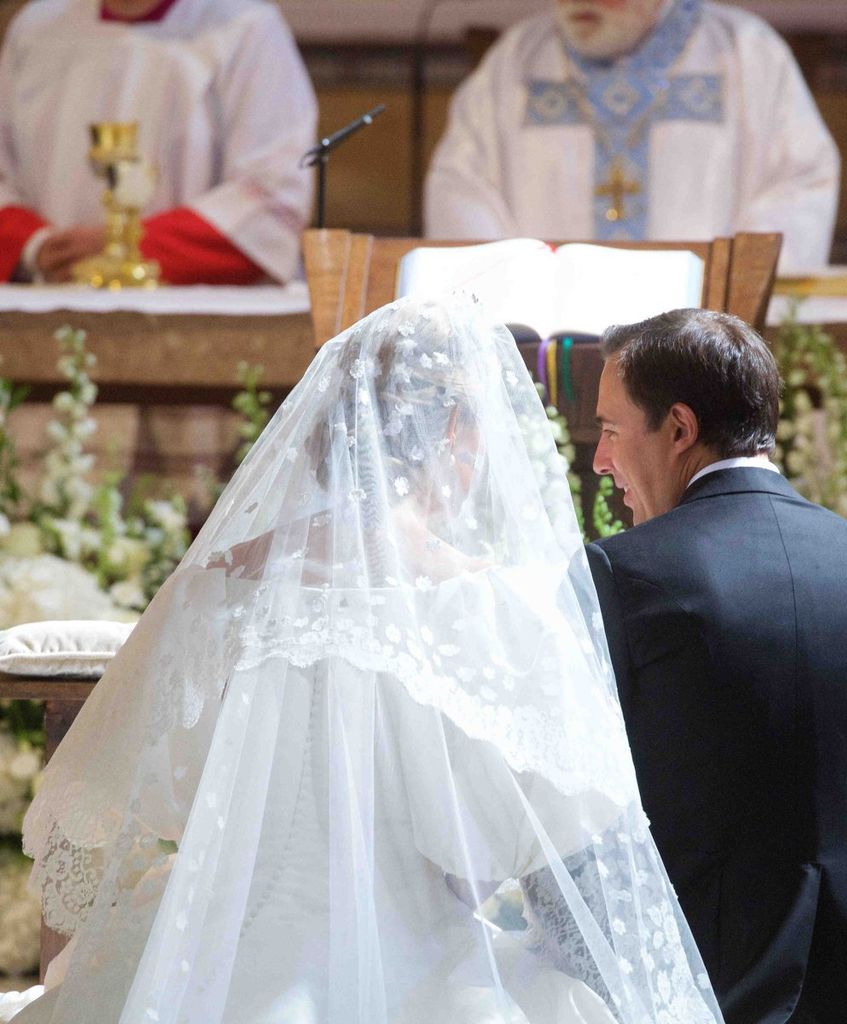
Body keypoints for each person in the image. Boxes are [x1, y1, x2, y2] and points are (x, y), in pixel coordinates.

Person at [9, 296, 723, 1024]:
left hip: (202, 958)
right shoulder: (485, 604)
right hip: (414, 973)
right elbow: (517, 844)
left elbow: (92, 793)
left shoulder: (215, 583)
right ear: (455, 433)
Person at [585, 308, 847, 1024]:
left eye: (608, 429)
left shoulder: (617, 572)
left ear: (680, 429)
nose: (599, 460)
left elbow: (595, 800)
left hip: (702, 966)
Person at [425, 0, 839, 272]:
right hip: (547, 344)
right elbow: (462, 186)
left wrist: (728, 292)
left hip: (701, 348)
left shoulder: (747, 53)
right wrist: (509, 289)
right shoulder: (515, 62)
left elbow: (798, 183)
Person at [0, 0, 316, 284]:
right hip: (48, 297)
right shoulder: (36, 27)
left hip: (194, 314)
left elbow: (271, 195)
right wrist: (36, 246)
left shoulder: (246, 27)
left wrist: (124, 248)